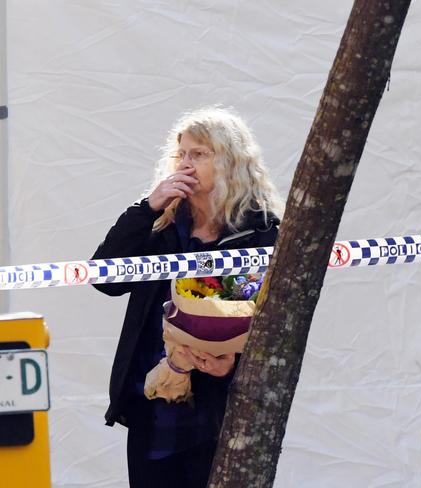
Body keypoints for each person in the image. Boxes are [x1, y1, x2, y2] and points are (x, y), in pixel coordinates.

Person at [92, 106, 283, 487]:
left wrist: (233, 367)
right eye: (182, 154)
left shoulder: (262, 230)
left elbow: (276, 322)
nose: (187, 163)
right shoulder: (160, 224)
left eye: (200, 154)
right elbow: (106, 278)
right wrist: (146, 207)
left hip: (223, 405)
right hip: (155, 399)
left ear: (230, 162)